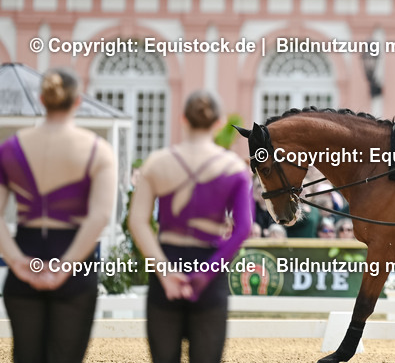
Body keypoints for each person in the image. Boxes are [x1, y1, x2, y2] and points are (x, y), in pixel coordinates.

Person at [0, 68, 116, 363]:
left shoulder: (9, 149)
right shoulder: (97, 150)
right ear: (77, 101)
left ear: (41, 100)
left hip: (25, 259)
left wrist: (17, 262)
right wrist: (65, 267)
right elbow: (99, 217)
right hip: (75, 266)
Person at [129, 89, 253, 363]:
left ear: (182, 118)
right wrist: (205, 275)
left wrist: (164, 273)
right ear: (219, 122)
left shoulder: (157, 162)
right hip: (210, 269)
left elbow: (138, 221)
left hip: (167, 265)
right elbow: (244, 228)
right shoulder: (234, 167)